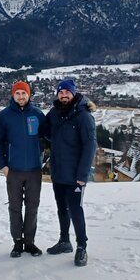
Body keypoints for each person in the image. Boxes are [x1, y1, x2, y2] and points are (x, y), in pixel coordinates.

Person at [43, 78, 97, 267]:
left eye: (67, 92)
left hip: (75, 176)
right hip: (58, 173)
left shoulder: (83, 116)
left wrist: (82, 176)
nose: (64, 95)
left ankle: (82, 247)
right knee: (61, 209)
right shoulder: (55, 113)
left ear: (73, 93)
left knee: (75, 210)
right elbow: (45, 131)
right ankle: (64, 241)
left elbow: (90, 146)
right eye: (61, 92)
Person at [0, 80, 45, 258]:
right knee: (15, 208)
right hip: (14, 170)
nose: (21, 96)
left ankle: (29, 242)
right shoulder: (5, 116)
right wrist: (3, 165)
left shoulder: (38, 114)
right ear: (13, 95)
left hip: (34, 170)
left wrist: (42, 157)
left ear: (29, 94)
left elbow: (47, 137)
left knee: (32, 207)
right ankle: (18, 242)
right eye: (18, 93)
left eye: (24, 93)